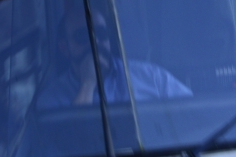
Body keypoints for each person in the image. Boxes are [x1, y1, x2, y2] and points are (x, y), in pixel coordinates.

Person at [36, 22, 192, 109]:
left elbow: (191, 114)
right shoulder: (50, 99)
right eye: (82, 36)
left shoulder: (152, 76)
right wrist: (88, 84)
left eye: (102, 34)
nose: (96, 42)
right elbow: (70, 142)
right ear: (64, 48)